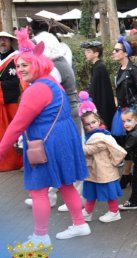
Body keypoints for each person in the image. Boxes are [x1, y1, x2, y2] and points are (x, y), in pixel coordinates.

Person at [0, 29, 91, 246]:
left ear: (38, 63)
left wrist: (1, 149)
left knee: (38, 190)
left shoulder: (36, 89)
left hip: (46, 143)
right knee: (67, 184)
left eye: (25, 65)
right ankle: (80, 223)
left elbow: (16, 125)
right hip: (62, 138)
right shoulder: (51, 82)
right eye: (18, 65)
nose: (20, 69)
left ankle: (40, 237)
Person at [79, 92, 127, 223]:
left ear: (98, 121)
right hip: (95, 170)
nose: (91, 126)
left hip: (104, 171)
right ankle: (87, 213)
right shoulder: (92, 136)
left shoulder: (100, 136)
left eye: (93, 122)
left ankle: (114, 212)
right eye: (87, 125)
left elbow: (89, 149)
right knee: (91, 193)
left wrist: (75, 147)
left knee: (110, 193)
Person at [111, 35, 137, 191]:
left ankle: (127, 175)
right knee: (123, 144)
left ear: (126, 53)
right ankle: (126, 174)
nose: (114, 52)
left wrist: (133, 111)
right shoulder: (119, 70)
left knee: (130, 146)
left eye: (117, 50)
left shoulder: (134, 70)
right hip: (121, 112)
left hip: (131, 112)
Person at [0, 31, 23, 171]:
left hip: (13, 100)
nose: (2, 42)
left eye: (5, 40)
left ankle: (19, 161)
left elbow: (19, 80)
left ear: (10, 41)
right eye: (0, 39)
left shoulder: (16, 58)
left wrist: (1, 86)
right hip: (0, 102)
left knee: (15, 132)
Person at [82, 41, 116, 131]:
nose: (85, 53)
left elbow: (94, 89)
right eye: (86, 51)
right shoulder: (97, 66)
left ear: (96, 54)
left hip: (102, 104)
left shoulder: (99, 67)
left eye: (88, 51)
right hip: (101, 102)